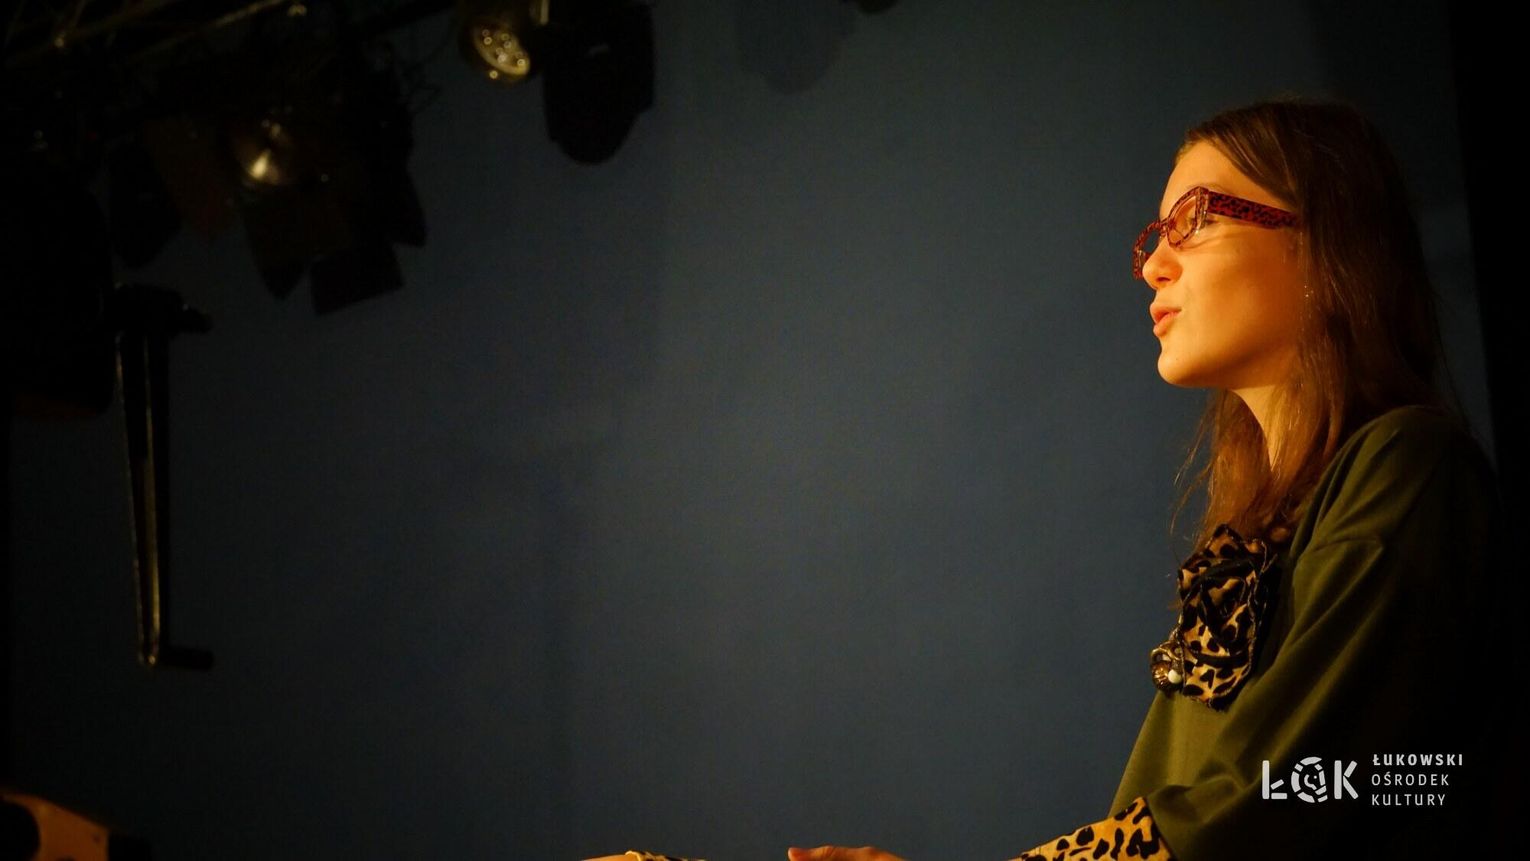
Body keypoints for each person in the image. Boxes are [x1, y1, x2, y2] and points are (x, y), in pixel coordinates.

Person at [781, 97, 1513, 860]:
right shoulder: (1262, 530)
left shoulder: (1411, 468)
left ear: (1323, 240)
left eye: (1194, 220)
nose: (1153, 265)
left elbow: (1295, 795)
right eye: (1156, 235)